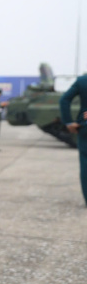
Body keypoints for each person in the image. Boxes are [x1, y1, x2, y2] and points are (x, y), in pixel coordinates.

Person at [59, 72, 87, 206]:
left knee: (85, 163)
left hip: (85, 127)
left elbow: (64, 99)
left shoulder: (83, 81)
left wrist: (69, 122)